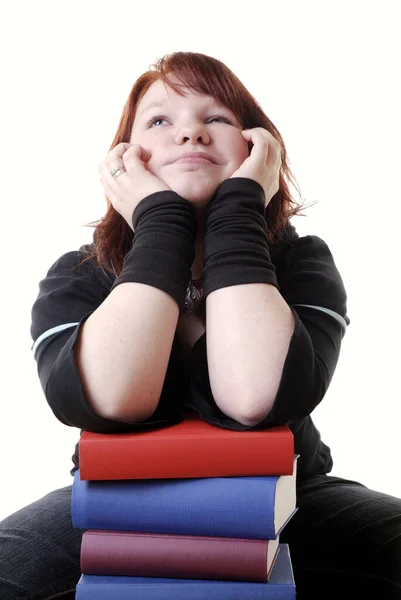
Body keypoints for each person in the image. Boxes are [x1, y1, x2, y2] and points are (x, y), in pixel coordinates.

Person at [1, 51, 399, 600]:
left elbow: (254, 396)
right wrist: (161, 223)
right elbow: (113, 397)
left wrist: (237, 211)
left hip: (292, 495)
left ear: (259, 147)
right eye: (160, 121)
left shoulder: (304, 261)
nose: (190, 134)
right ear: (125, 157)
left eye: (217, 119)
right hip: (113, 504)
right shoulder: (77, 275)